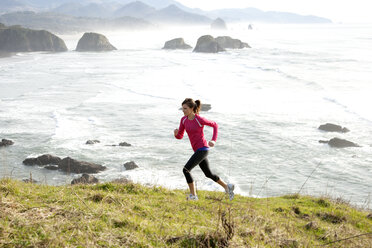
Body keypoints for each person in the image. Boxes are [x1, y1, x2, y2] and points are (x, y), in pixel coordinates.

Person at [174, 98, 234, 201]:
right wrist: (176, 134)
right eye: (182, 108)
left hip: (203, 149)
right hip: (197, 150)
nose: (183, 110)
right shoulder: (183, 120)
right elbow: (180, 136)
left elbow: (215, 125)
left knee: (186, 170)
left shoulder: (199, 119)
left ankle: (193, 196)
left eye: (185, 108)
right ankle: (227, 187)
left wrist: (213, 140)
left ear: (192, 108)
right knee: (208, 174)